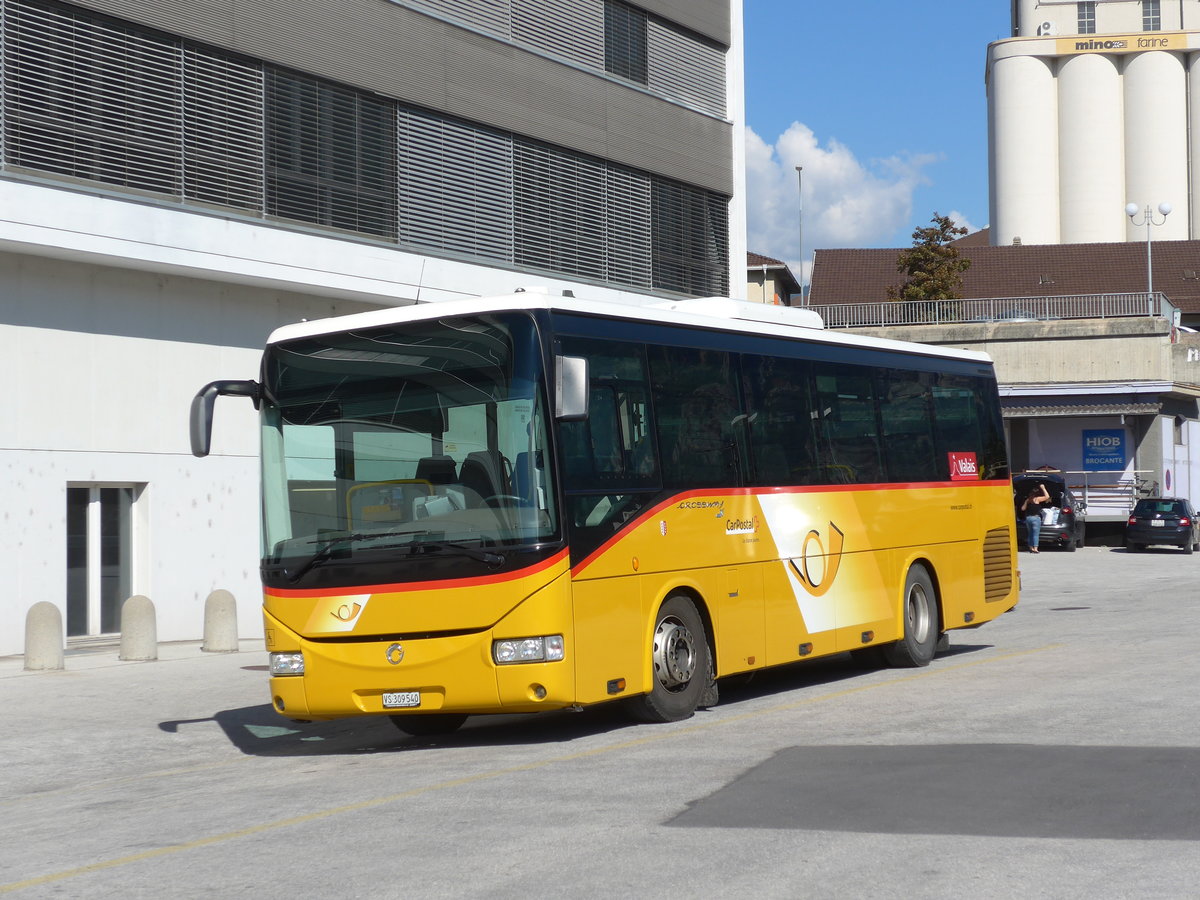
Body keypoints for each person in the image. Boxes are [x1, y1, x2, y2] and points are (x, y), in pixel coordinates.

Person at [1021, 483, 1051, 553]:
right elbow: (1047, 496)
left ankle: (1031, 548)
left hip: (1028, 519)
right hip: (1035, 518)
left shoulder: (1028, 500)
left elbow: (1022, 509)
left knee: (1030, 533)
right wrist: (1043, 488)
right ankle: (1035, 548)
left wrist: (1026, 502)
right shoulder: (1037, 499)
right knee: (1035, 534)